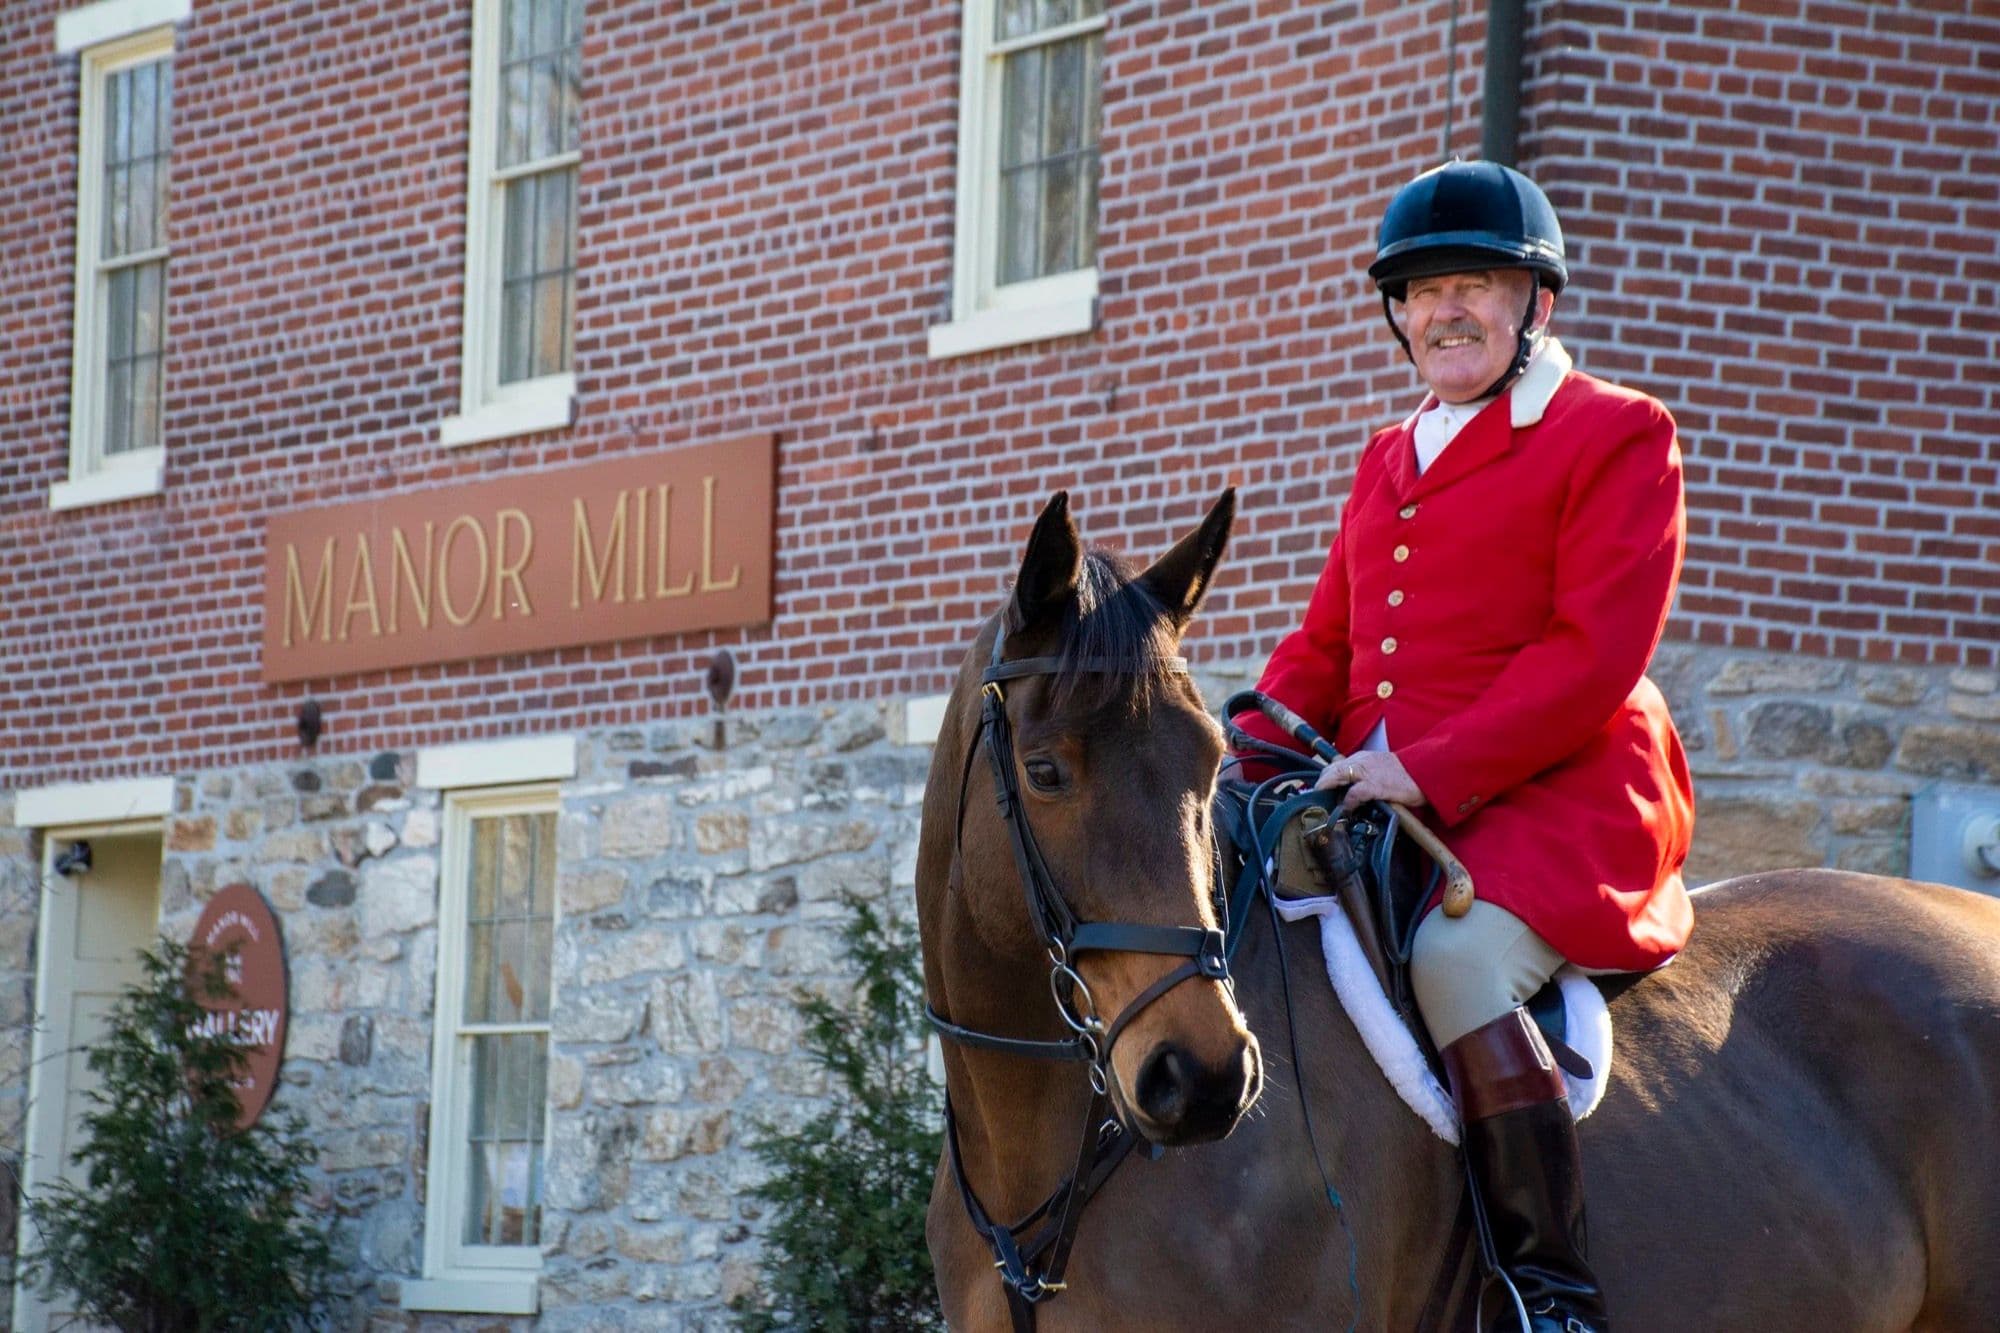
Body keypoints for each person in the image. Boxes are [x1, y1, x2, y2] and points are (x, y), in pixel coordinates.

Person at [1233, 159, 1695, 1333]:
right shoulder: (1388, 454)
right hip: (1378, 796)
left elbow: (1589, 656)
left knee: (1455, 966)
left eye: (1476, 283)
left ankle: (1548, 1290)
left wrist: (1424, 768)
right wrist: (1236, 755)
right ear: (1395, 310)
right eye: (1422, 288)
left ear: (1532, 302)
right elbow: (1324, 644)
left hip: (1559, 792)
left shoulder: (1616, 433)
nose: (1445, 308)